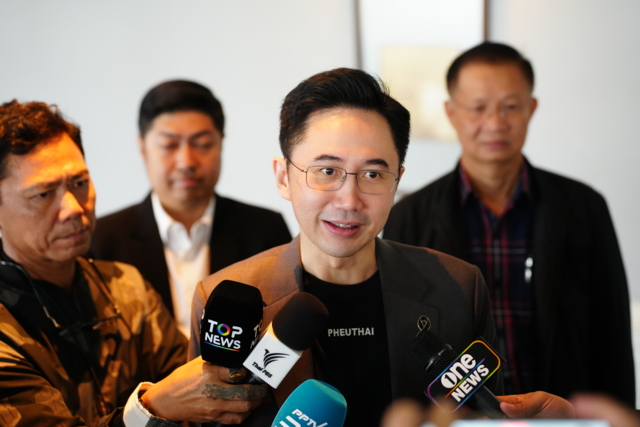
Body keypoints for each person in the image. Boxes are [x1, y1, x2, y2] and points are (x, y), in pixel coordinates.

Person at [189, 68, 503, 427]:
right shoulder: (224, 299)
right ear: (283, 177)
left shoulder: (459, 289)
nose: (349, 201)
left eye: (373, 174)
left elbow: (489, 417)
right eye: (327, 171)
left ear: (397, 181)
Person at [384, 42, 634, 404]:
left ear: (531, 108)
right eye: (478, 108)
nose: (495, 123)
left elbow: (612, 332)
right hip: (457, 418)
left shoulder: (584, 207)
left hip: (562, 413)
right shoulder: (410, 216)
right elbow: (403, 338)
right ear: (452, 112)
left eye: (510, 106)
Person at [0, 100, 267, 426]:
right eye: (43, 194)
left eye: (80, 183)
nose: (73, 208)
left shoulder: (126, 287)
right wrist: (153, 407)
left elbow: (191, 387)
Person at [91, 80, 292, 336]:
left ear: (220, 143)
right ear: (142, 147)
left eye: (203, 144)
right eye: (169, 145)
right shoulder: (104, 240)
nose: (186, 162)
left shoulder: (264, 230)